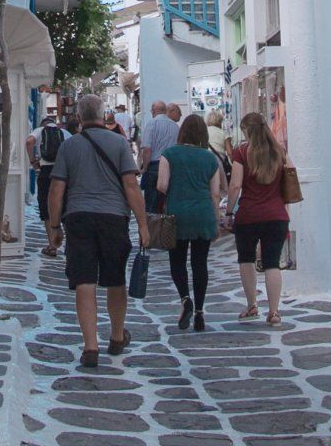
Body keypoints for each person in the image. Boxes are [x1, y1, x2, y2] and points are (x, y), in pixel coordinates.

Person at [46, 92, 151, 369]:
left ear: (79, 118)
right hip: (113, 218)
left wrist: (54, 227)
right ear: (104, 115)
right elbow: (131, 185)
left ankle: (90, 346)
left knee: (84, 280)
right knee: (115, 279)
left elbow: (57, 189)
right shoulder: (118, 143)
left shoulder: (69, 148)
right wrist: (142, 224)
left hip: (78, 218)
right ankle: (116, 336)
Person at [155, 113, 223, 331]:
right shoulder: (209, 157)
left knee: (177, 261)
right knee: (200, 263)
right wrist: (217, 219)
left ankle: (186, 299)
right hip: (202, 213)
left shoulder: (169, 154)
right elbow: (215, 193)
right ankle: (201, 313)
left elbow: (162, 186)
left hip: (177, 214)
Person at [226, 111, 291, 326]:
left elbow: (235, 184)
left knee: (246, 260)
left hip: (249, 215)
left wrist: (228, 210)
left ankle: (252, 304)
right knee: (272, 264)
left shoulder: (242, 152)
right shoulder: (279, 152)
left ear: (247, 131)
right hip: (276, 214)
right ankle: (274, 312)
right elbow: (291, 173)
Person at [30, 112, 67, 257]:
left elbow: (28, 142)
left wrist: (33, 161)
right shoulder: (63, 132)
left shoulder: (40, 131)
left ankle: (52, 245)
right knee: (65, 206)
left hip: (45, 171)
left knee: (46, 208)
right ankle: (69, 244)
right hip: (62, 172)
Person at [136, 101, 177, 213]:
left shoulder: (152, 124)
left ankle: (153, 228)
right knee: (167, 201)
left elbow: (147, 149)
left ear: (153, 111)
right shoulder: (175, 126)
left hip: (154, 167)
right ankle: (167, 227)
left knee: (152, 204)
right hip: (171, 166)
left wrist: (144, 167)